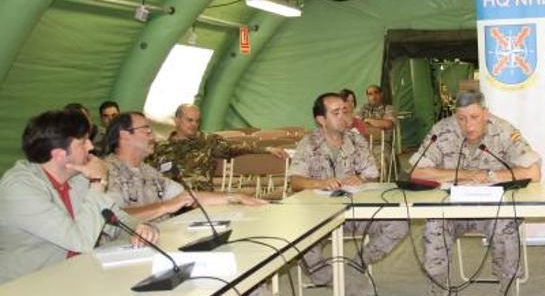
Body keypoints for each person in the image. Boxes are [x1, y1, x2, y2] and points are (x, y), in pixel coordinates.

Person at [0, 109, 157, 283]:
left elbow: (115, 220)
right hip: (27, 285)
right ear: (59, 154)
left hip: (74, 277)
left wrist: (140, 228)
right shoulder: (19, 189)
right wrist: (98, 183)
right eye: (83, 142)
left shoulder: (77, 178)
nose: (91, 147)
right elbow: (80, 242)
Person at [411, 90, 541, 296]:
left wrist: (490, 175)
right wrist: (464, 174)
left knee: (505, 226)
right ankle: (438, 290)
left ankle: (507, 289)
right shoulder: (442, 131)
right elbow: (417, 172)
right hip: (452, 211)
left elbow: (533, 172)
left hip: (494, 210)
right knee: (433, 225)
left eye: (474, 117)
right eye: (461, 118)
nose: (468, 125)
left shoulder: (503, 130)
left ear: (486, 113)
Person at [288, 93, 408, 295]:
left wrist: (361, 179)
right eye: (336, 113)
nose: (344, 116)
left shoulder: (356, 139)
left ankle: (355, 266)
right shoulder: (309, 143)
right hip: (319, 216)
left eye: (346, 110)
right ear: (321, 120)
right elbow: (296, 182)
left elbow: (372, 174)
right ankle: (330, 276)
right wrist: (321, 183)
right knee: (301, 243)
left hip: (354, 213)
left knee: (399, 224)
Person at [105, 111, 264, 222]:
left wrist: (235, 197)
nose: (152, 136)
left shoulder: (148, 172)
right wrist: (166, 206)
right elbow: (113, 217)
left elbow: (187, 196)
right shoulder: (107, 172)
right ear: (124, 134)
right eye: (146, 130)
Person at [148, 104, 286, 191]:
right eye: (189, 120)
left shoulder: (208, 141)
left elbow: (234, 149)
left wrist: (266, 149)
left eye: (197, 121)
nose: (194, 124)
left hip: (200, 201)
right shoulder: (160, 148)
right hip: (169, 203)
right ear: (177, 120)